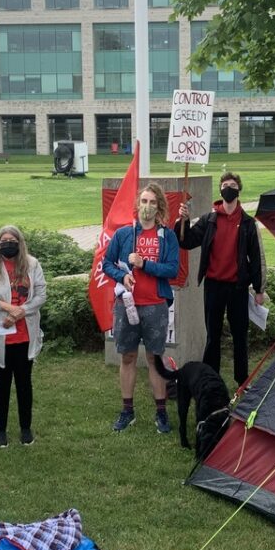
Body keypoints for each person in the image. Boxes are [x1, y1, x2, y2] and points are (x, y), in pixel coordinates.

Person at [102, 182, 179, 433]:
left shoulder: (167, 236)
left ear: (159, 208)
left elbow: (172, 269)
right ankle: (127, 411)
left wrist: (145, 264)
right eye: (144, 201)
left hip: (155, 306)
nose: (147, 206)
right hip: (127, 305)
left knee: (154, 358)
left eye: (152, 202)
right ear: (138, 205)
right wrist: (122, 277)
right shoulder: (124, 235)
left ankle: (161, 413)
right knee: (128, 356)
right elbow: (107, 264)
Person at [176, 171, 265, 386]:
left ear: (238, 189)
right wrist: (183, 221)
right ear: (220, 190)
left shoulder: (247, 223)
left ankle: (242, 379)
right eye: (225, 184)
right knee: (212, 335)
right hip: (214, 286)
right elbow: (186, 242)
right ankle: (210, 378)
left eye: (232, 184)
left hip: (238, 287)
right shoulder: (209, 220)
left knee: (239, 335)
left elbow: (256, 256)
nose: (228, 187)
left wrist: (259, 288)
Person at [0, 226, 47, 448]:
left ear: (19, 242)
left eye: (12, 240)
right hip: (0, 334)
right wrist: (8, 308)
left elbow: (40, 295)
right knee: (2, 384)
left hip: (25, 335)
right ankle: (1, 431)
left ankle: (26, 428)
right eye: (3, 240)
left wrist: (20, 313)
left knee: (24, 384)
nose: (7, 243)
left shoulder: (32, 264)